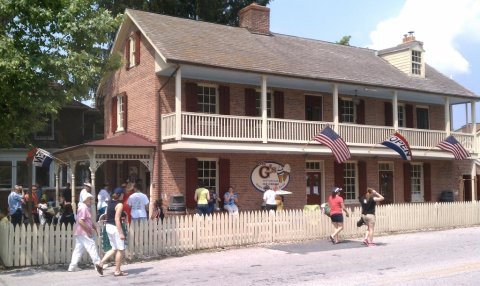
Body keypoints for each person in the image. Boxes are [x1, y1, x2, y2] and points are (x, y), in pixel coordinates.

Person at [68, 193, 103, 275]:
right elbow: (81, 221)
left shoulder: (83, 207)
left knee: (78, 250)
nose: (91, 200)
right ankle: (98, 264)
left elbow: (88, 220)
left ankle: (72, 266)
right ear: (85, 199)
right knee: (92, 247)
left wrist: (93, 227)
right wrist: (88, 230)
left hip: (79, 232)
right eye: (89, 199)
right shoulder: (84, 208)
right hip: (84, 232)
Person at [98, 187, 128, 277]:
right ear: (120, 195)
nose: (124, 195)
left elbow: (108, 215)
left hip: (108, 226)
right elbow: (116, 219)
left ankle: (100, 264)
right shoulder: (119, 205)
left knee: (114, 248)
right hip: (115, 227)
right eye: (123, 194)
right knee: (121, 249)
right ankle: (117, 271)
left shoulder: (110, 202)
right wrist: (121, 233)